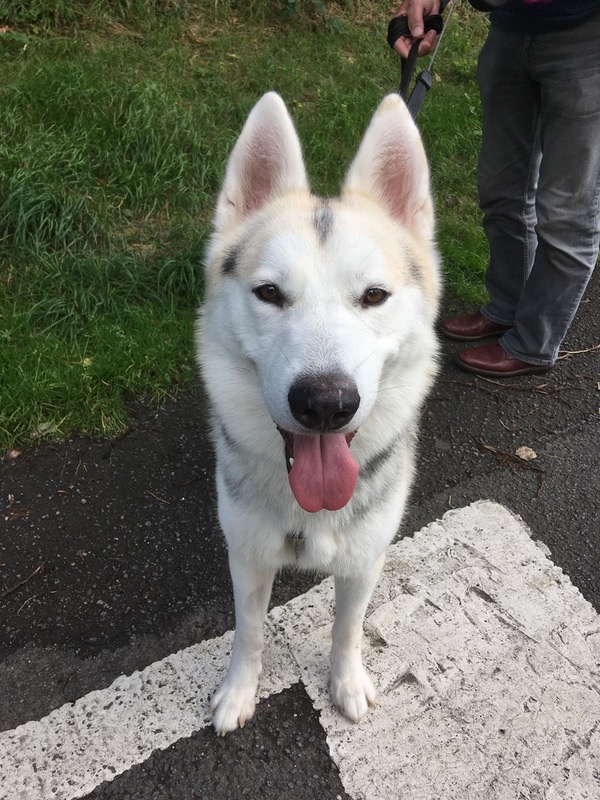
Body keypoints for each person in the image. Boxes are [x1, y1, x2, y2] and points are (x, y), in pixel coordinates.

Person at [392, 0, 600, 377]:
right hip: (510, 26)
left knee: (566, 213)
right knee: (502, 189)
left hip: (587, 35)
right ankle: (507, 307)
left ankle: (533, 342)